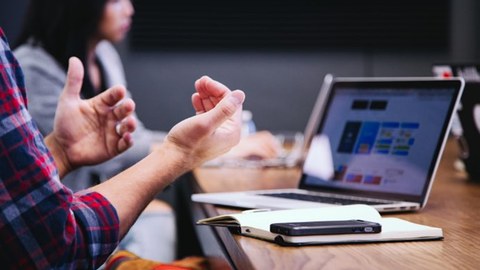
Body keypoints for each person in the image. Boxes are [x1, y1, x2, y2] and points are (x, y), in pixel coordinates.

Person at [13, 0, 280, 261]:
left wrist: (201, 144)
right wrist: (202, 149)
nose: (130, 9)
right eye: (116, 1)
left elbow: (130, 137)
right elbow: (120, 154)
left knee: (161, 218)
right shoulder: (32, 67)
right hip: (60, 224)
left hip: (90, 207)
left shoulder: (104, 55)